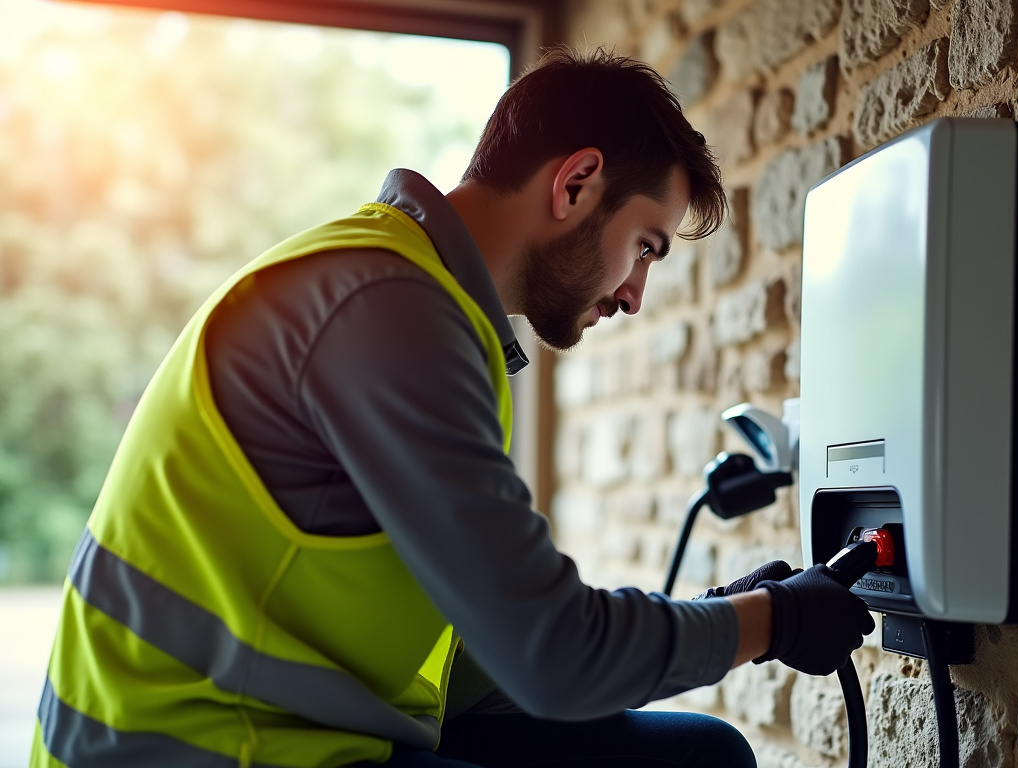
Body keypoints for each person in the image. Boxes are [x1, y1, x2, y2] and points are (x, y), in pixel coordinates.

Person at [30, 48, 874, 768]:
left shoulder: (414, 299)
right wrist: (770, 621)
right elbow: (552, 657)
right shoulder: (387, 310)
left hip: (276, 727)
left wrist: (718, 611)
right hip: (194, 746)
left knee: (696, 755)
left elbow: (486, 654)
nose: (634, 294)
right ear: (576, 184)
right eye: (644, 246)